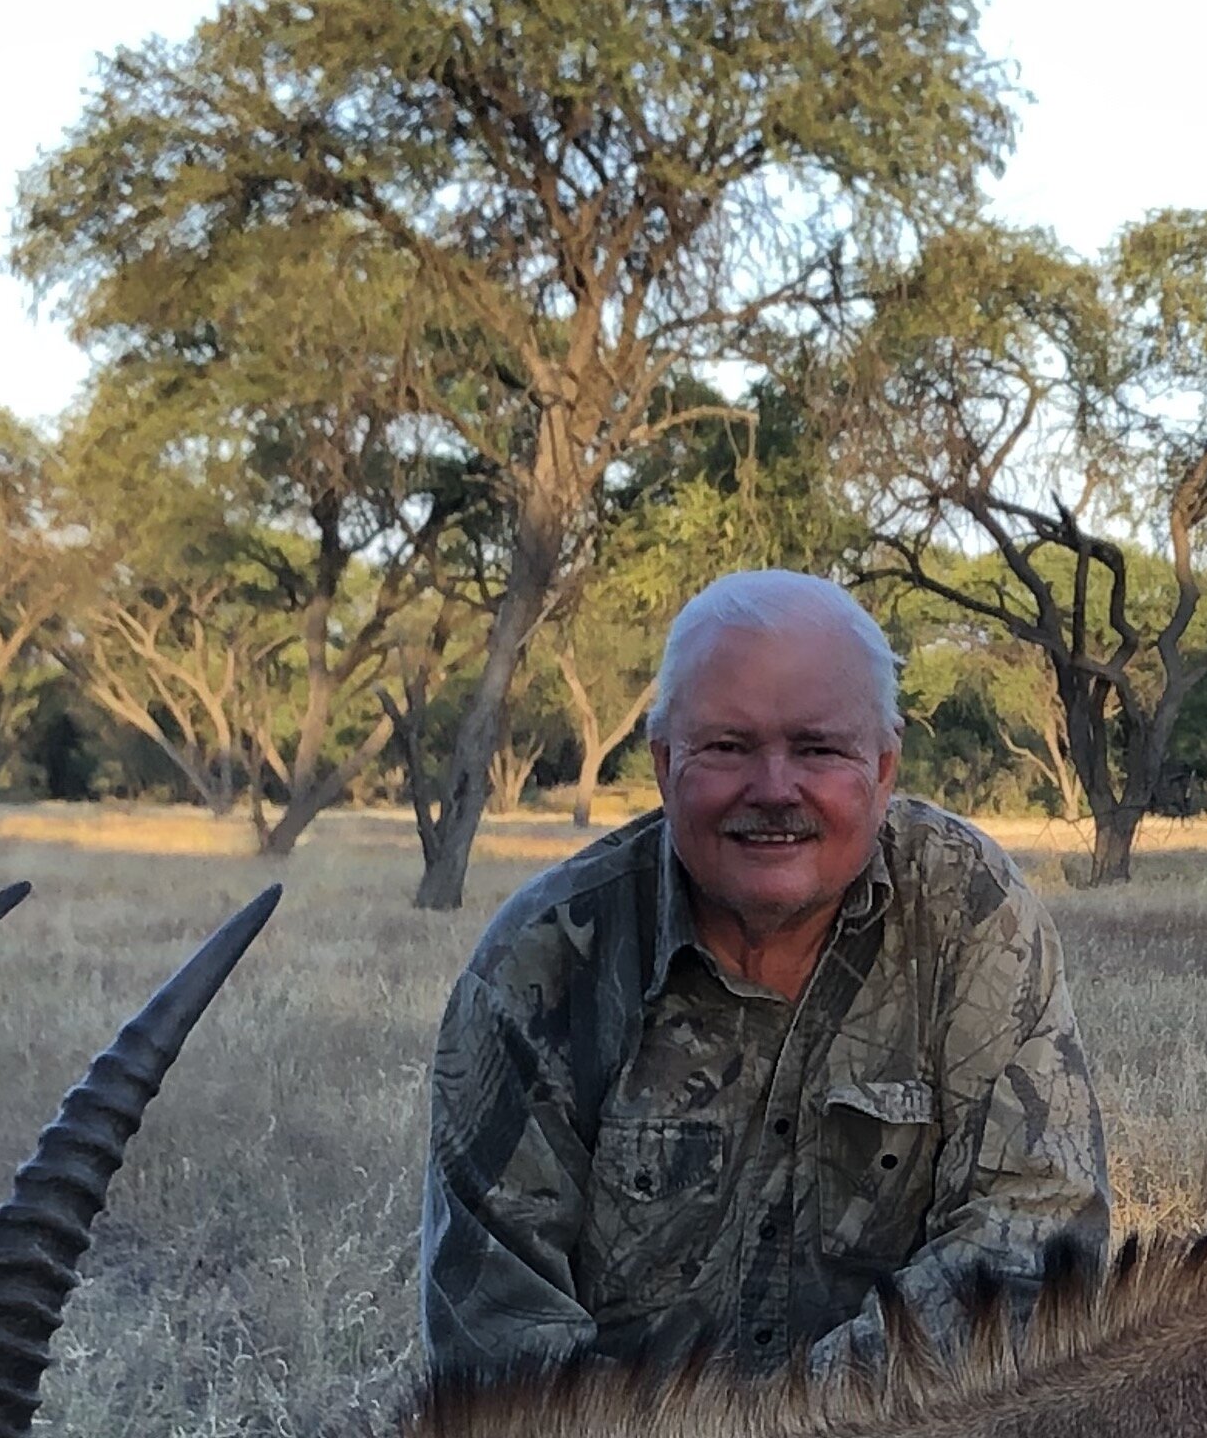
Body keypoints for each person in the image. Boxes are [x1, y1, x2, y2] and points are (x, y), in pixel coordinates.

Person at [421, 569, 1109, 1386]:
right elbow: (495, 1333)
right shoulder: (540, 962)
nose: (774, 789)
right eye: (728, 747)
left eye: (818, 748)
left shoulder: (973, 917)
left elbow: (1035, 1238)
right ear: (663, 761)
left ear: (884, 768)